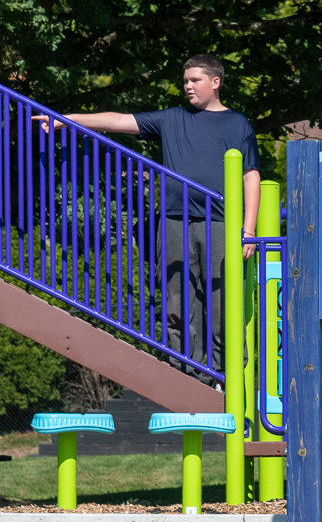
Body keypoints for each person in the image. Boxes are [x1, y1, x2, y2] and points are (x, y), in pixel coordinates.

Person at [54, 54, 261, 371]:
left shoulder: (237, 123)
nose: (188, 86)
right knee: (176, 303)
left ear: (216, 82)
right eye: (185, 81)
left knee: (222, 305)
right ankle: (189, 374)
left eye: (195, 80)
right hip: (174, 222)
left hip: (220, 223)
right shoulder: (173, 118)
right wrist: (68, 118)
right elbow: (121, 121)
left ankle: (225, 378)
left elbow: (251, 177)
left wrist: (249, 229)